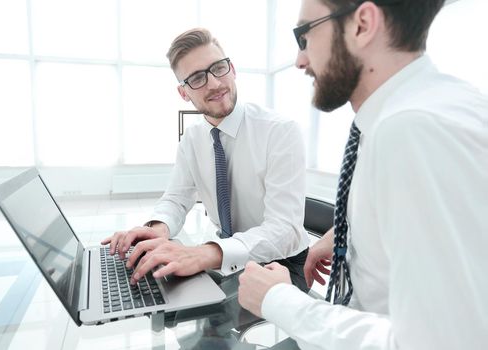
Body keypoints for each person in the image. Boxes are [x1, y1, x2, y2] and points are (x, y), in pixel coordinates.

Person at [238, 0, 488, 349]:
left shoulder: (413, 129)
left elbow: (439, 341)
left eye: (304, 35)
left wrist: (277, 298)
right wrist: (348, 232)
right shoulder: (425, 108)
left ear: (362, 24)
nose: (300, 60)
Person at [102, 28, 310, 291]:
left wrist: (203, 254)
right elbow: (176, 199)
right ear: (184, 92)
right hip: (224, 258)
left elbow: (284, 230)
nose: (214, 84)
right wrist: (158, 229)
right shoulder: (192, 138)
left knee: (205, 317)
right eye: (197, 78)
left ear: (232, 69)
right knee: (170, 304)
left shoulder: (280, 131)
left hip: (280, 264)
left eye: (218, 68)